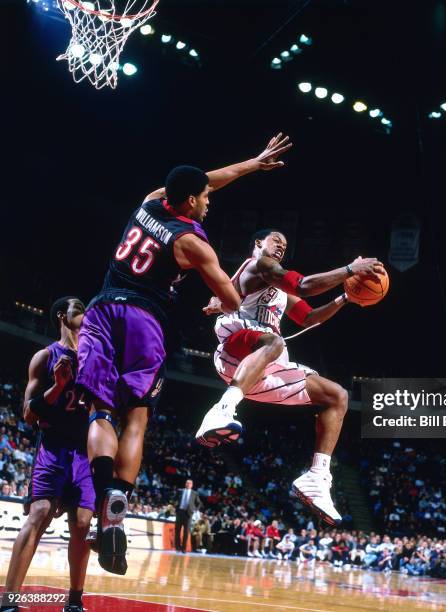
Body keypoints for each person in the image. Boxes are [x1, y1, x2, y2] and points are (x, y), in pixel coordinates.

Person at [75, 134, 292, 574]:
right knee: (136, 416)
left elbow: (205, 178)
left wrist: (251, 163)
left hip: (103, 309)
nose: (210, 200)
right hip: (144, 322)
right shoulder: (192, 242)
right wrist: (226, 293)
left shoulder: (150, 201)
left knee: (101, 411)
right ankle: (117, 506)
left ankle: (102, 503)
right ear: (191, 201)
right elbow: (232, 300)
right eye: (206, 198)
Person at [198, 229, 384, 524]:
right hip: (236, 352)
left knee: (336, 396)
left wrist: (345, 298)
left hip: (261, 368)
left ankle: (318, 477)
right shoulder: (259, 265)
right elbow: (305, 285)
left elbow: (309, 318)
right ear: (258, 243)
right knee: (274, 342)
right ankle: (222, 408)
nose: (282, 247)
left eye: (285, 245)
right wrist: (350, 269)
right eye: (276, 242)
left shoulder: (277, 288)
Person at [1, 297, 93, 612]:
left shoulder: (95, 359)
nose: (84, 312)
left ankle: (75, 602)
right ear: (61, 316)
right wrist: (57, 386)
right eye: (77, 308)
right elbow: (27, 414)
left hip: (84, 452)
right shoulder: (45, 356)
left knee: (82, 523)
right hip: (53, 447)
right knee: (38, 513)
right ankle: (9, 600)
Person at [174, 478, 201, 553]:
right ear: (185, 484)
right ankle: (177, 547)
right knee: (177, 531)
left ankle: (183, 548)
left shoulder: (194, 493)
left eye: (189, 483)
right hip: (180, 512)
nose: (187, 484)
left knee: (186, 532)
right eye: (186, 483)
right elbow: (174, 499)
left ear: (192, 485)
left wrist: (194, 510)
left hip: (188, 514)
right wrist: (175, 505)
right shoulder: (180, 491)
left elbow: (199, 503)